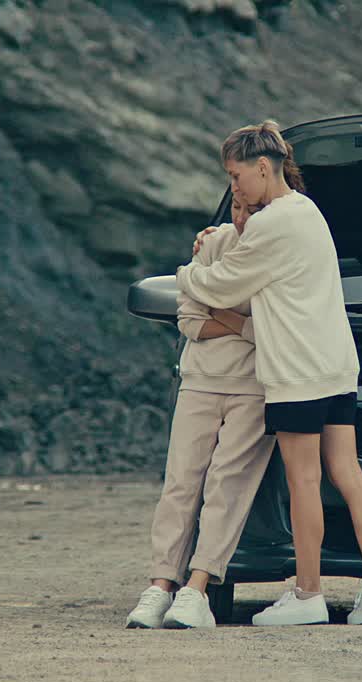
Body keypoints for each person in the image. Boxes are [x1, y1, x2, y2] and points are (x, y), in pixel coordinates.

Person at [175, 121, 362, 626]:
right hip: (336, 365)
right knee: (348, 473)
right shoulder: (306, 211)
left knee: (304, 480)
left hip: (296, 372)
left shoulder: (275, 222)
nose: (233, 187)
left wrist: (188, 272)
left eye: (235, 175)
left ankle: (307, 594)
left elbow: (221, 284)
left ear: (262, 167)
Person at [125, 196, 276, 630]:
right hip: (199, 381)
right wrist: (247, 326)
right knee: (181, 484)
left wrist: (224, 313)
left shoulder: (277, 250)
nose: (242, 219)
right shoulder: (214, 245)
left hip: (254, 387)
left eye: (253, 212)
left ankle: (197, 589)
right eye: (238, 210)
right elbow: (190, 319)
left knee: (227, 486)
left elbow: (278, 327)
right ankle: (160, 586)